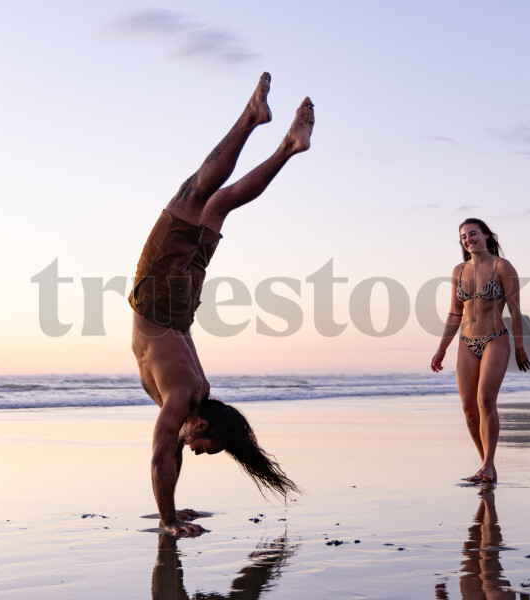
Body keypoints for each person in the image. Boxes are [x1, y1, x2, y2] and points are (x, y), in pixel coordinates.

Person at [129, 73, 311, 536]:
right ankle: (252, 118)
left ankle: (288, 147)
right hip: (161, 300)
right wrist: (167, 520)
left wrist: (173, 510)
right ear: (204, 423)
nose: (194, 451)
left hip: (185, 305)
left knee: (220, 205)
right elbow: (161, 455)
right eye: (204, 445)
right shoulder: (180, 399)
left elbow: (172, 451)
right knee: (193, 194)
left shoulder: (199, 391)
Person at [431, 218, 530, 484]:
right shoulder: (458, 270)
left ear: (487, 235)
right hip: (466, 342)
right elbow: (455, 312)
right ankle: (485, 465)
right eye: (463, 236)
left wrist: (520, 347)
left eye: (473, 233)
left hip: (495, 339)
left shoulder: (502, 267)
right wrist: (441, 348)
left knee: (486, 400)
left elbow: (515, 311)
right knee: (468, 409)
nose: (468, 239)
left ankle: (488, 465)